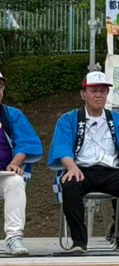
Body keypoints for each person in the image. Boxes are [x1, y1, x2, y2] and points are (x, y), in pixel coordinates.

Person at [48, 71, 119, 254]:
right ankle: (79, 241)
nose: (99, 95)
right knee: (70, 183)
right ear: (83, 94)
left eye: (103, 91)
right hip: (81, 170)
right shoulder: (68, 119)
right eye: (94, 91)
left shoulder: (118, 119)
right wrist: (71, 167)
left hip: (112, 172)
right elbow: (62, 147)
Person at [0, 71, 42, 257]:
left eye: (0, 86)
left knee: (16, 181)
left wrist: (14, 164)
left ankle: (14, 238)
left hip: (3, 175)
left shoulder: (12, 115)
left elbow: (27, 142)